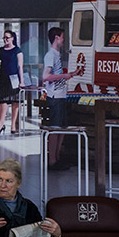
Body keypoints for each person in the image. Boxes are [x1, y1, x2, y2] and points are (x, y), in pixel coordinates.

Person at [43, 27, 82, 170]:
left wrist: (72, 74)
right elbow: (46, 77)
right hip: (55, 97)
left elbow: (58, 76)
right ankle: (52, 160)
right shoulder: (50, 55)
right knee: (55, 128)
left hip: (60, 95)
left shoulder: (57, 55)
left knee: (61, 128)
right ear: (56, 38)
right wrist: (64, 76)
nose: (64, 39)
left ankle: (57, 157)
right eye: (62, 36)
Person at [0, 30, 24, 135]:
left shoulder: (17, 51)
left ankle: (13, 125)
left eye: (7, 37)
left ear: (12, 38)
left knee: (15, 102)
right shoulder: (1, 50)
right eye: (4, 38)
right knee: (3, 102)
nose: (5, 40)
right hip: (4, 78)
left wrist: (22, 81)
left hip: (14, 78)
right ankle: (0, 125)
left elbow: (20, 66)